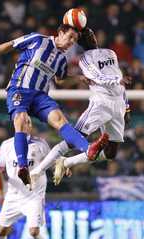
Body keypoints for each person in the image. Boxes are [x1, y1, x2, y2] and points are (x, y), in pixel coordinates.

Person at [0, 24, 109, 187]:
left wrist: (78, 78)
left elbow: (60, 80)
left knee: (60, 120)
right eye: (70, 37)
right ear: (60, 32)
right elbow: (10, 45)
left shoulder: (61, 59)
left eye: (75, 40)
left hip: (40, 96)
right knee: (23, 121)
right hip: (20, 88)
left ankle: (88, 149)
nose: (71, 42)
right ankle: (23, 167)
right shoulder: (37, 39)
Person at [30, 27, 132, 185]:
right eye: (87, 35)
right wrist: (115, 81)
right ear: (83, 41)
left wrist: (126, 105)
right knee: (73, 140)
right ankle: (38, 170)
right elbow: (96, 76)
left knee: (111, 152)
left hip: (118, 103)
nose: (92, 36)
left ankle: (66, 162)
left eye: (92, 34)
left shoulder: (110, 53)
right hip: (101, 103)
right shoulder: (84, 59)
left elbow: (119, 79)